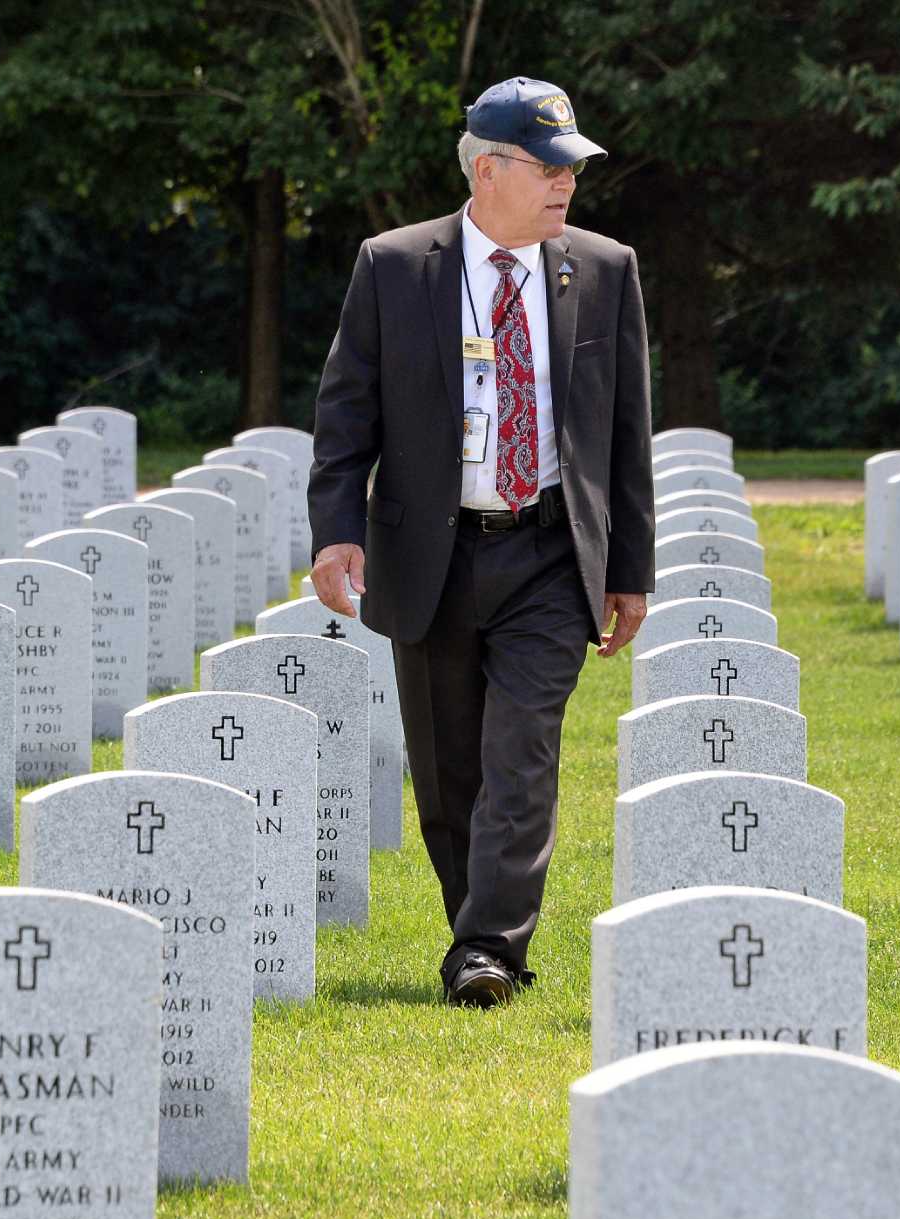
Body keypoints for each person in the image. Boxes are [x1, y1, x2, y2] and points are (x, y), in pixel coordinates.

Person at [306, 75, 654, 1007]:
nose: (566, 185)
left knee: (522, 755)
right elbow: (346, 414)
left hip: (547, 548)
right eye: (548, 167)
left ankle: (490, 946)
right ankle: (479, 935)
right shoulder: (394, 265)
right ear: (488, 170)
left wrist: (631, 571)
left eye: (573, 168)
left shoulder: (605, 268)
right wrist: (337, 530)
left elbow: (625, 435)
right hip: (434, 553)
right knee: (448, 773)